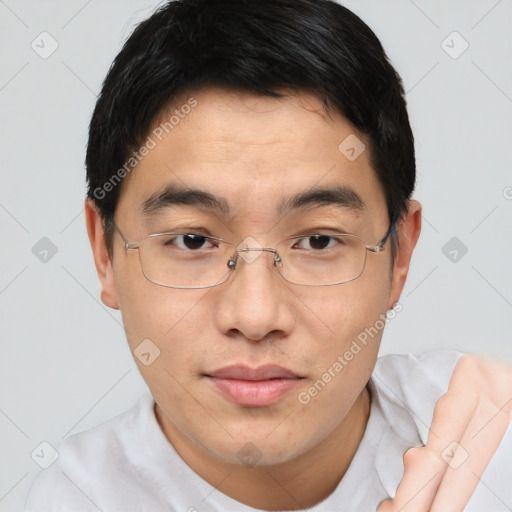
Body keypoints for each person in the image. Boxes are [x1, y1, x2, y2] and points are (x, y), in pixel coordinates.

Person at [26, 0, 512, 511]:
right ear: (104, 253)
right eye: (193, 240)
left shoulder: (485, 450)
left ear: (400, 254)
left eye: (319, 241)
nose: (255, 316)